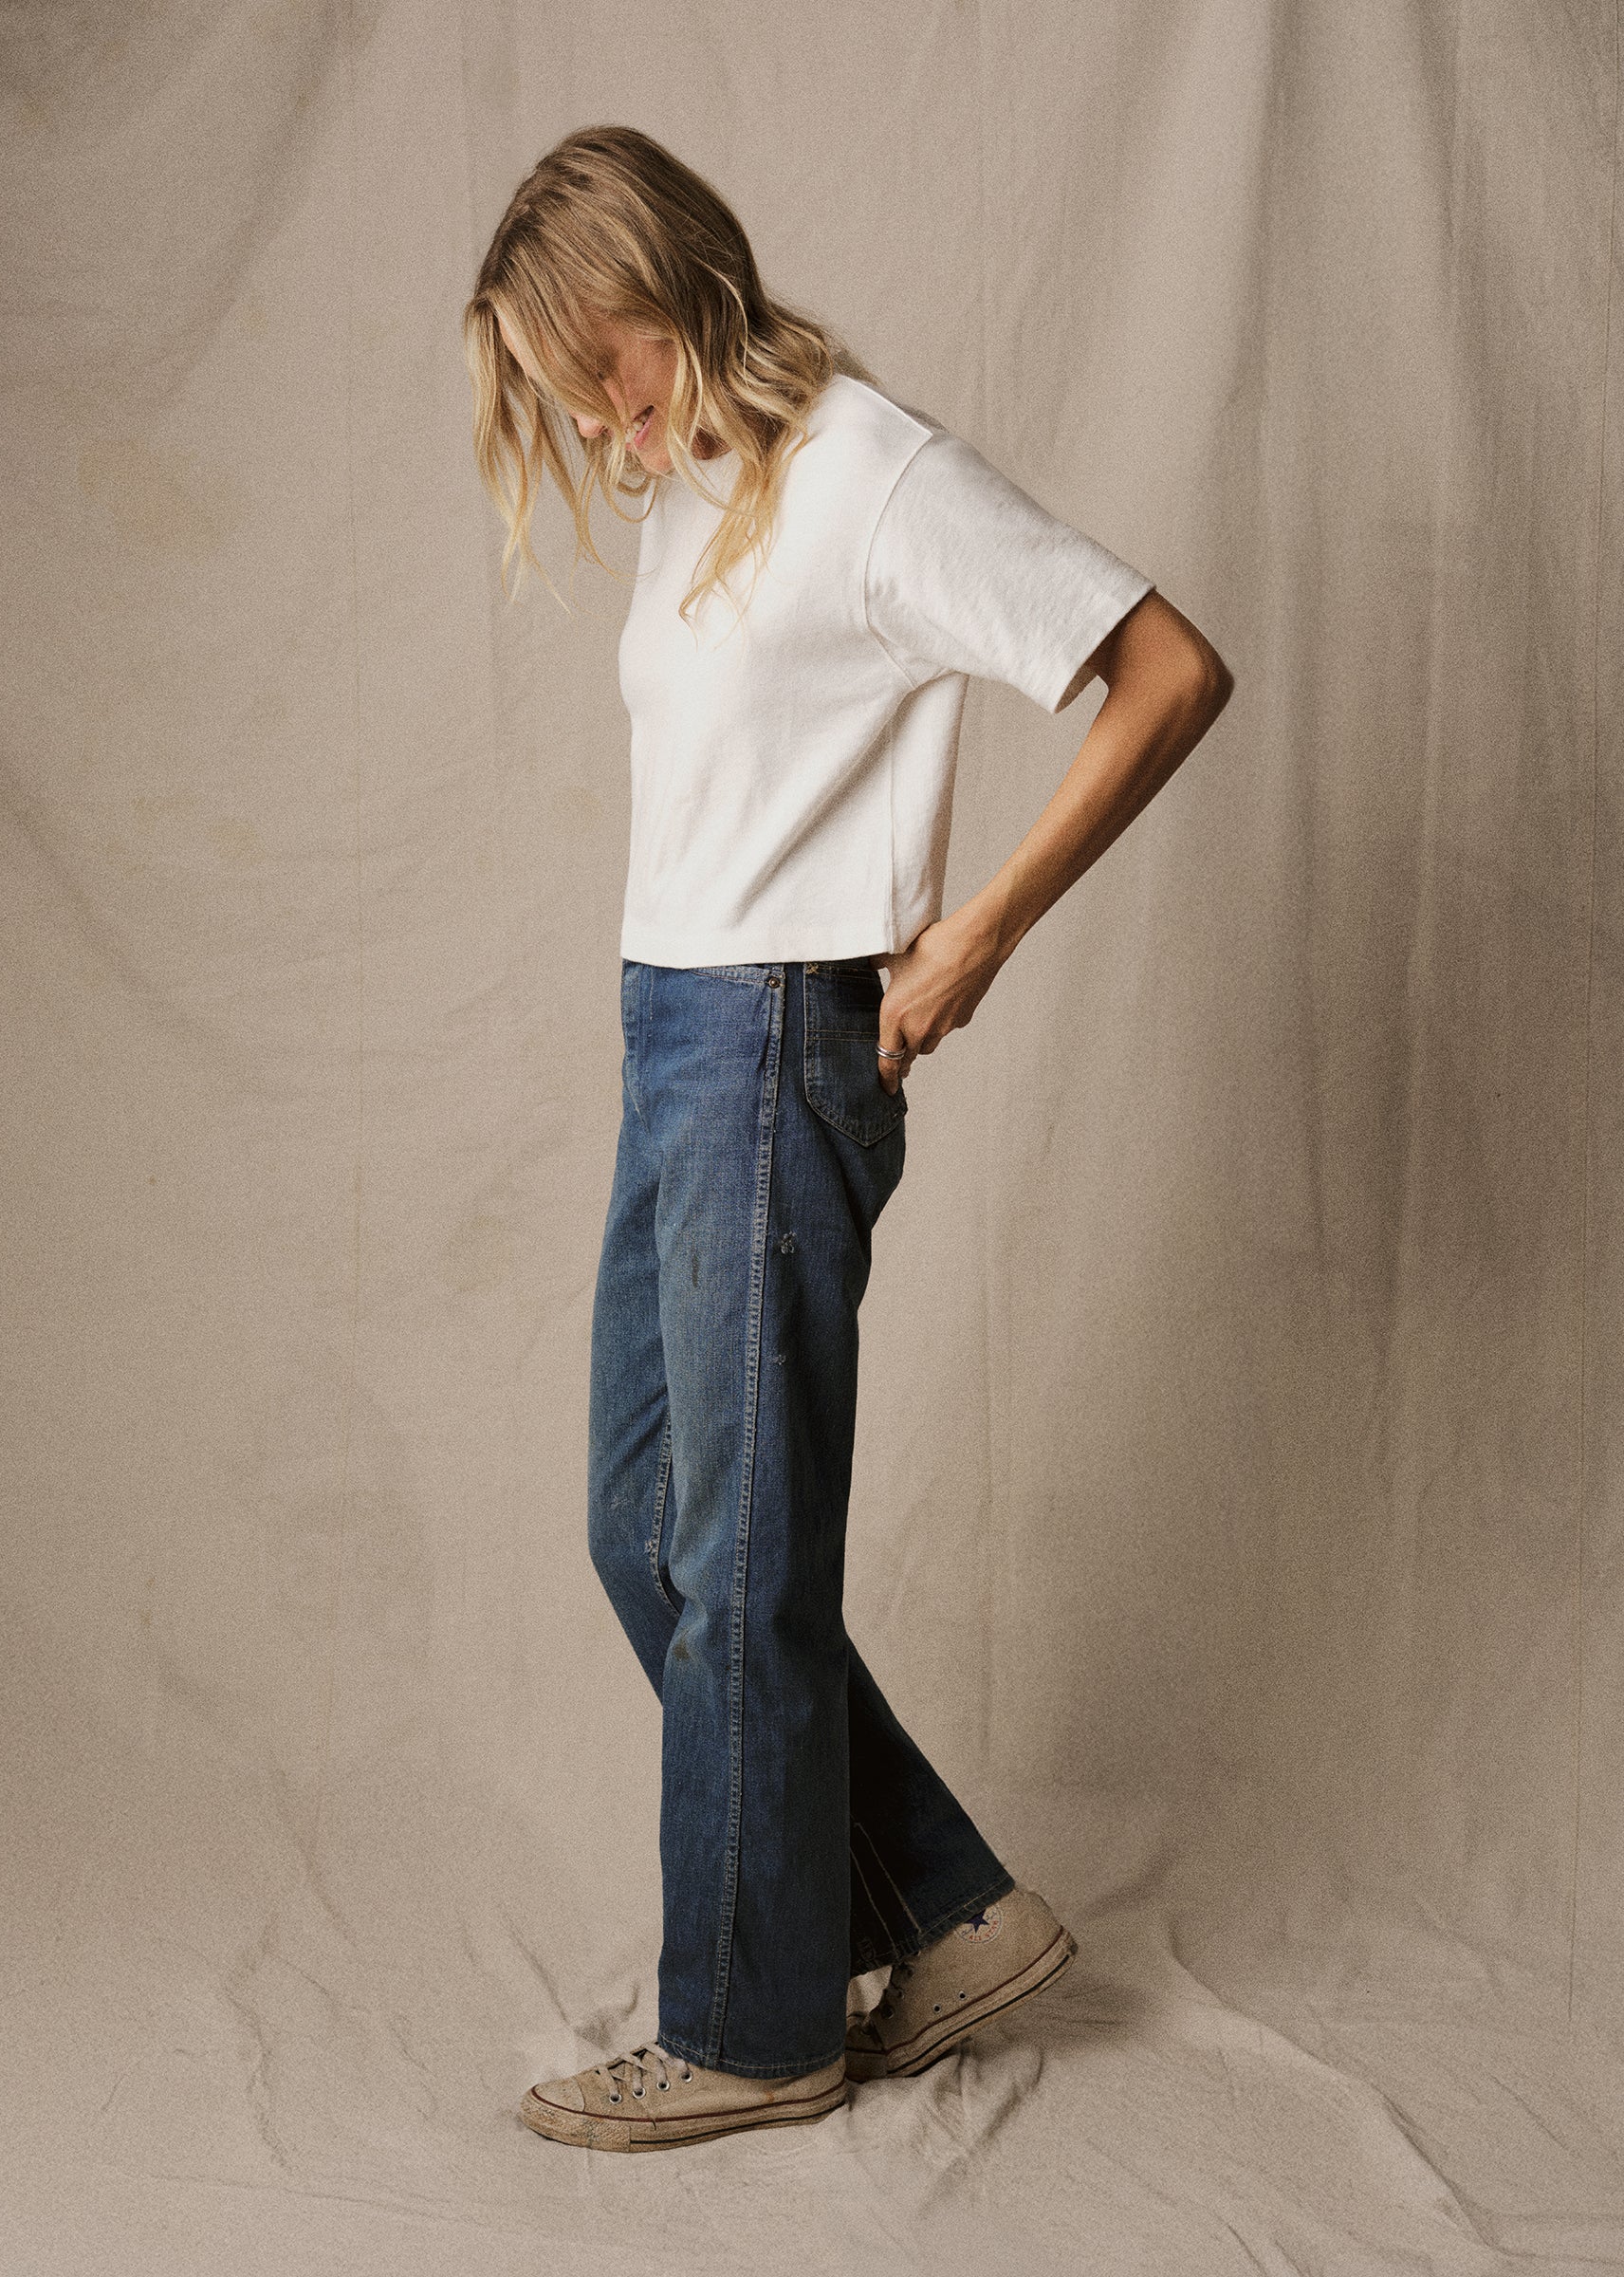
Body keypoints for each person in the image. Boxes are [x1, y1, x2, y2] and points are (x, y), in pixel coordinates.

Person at [464, 124, 1231, 2153]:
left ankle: (752, 2026)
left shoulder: (870, 473)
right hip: (673, 1034)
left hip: (776, 1043)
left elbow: (1167, 670)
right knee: (650, 1525)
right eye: (562, 387)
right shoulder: (696, 489)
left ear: (678, 281)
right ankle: (950, 1910)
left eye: (602, 362)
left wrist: (978, 932)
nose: (593, 416)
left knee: (736, 1553)